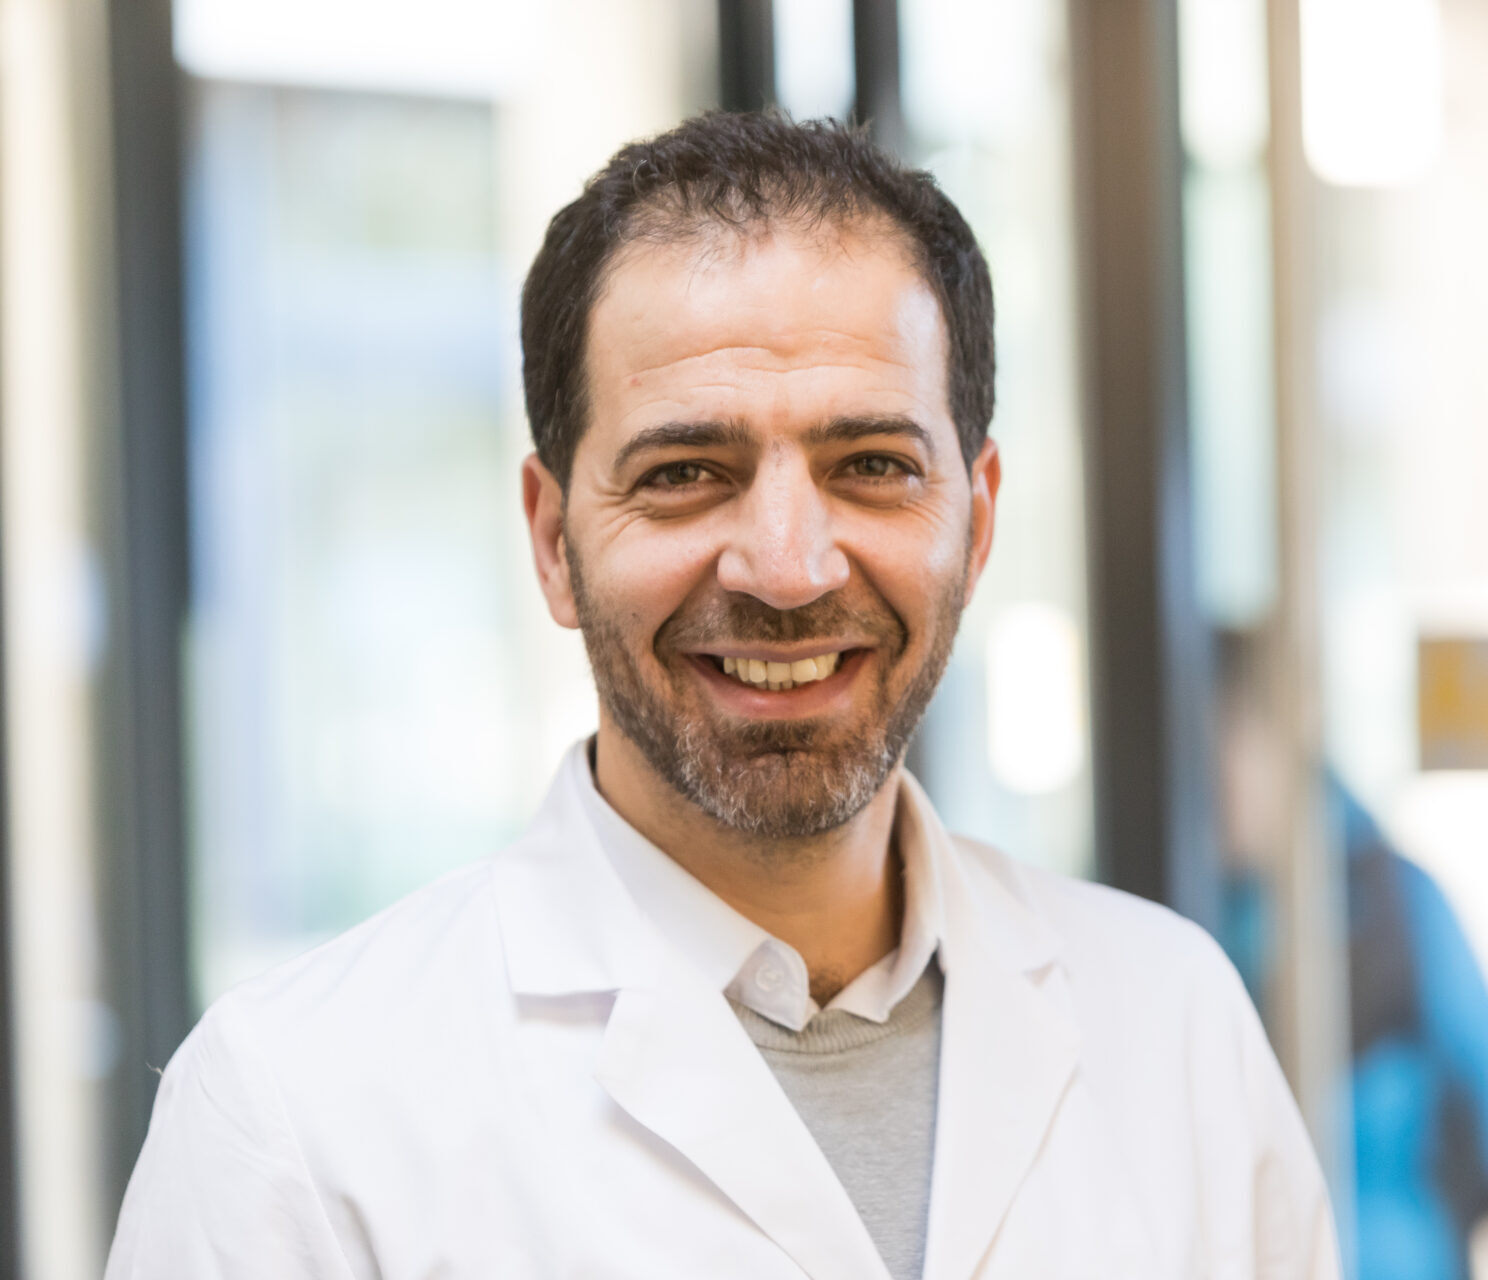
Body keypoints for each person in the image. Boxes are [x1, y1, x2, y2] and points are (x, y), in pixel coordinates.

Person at [106, 113, 1340, 1279]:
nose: (790, 568)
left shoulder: (1174, 1020)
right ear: (552, 539)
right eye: (688, 471)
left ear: (978, 519)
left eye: (872, 465)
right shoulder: (298, 1118)